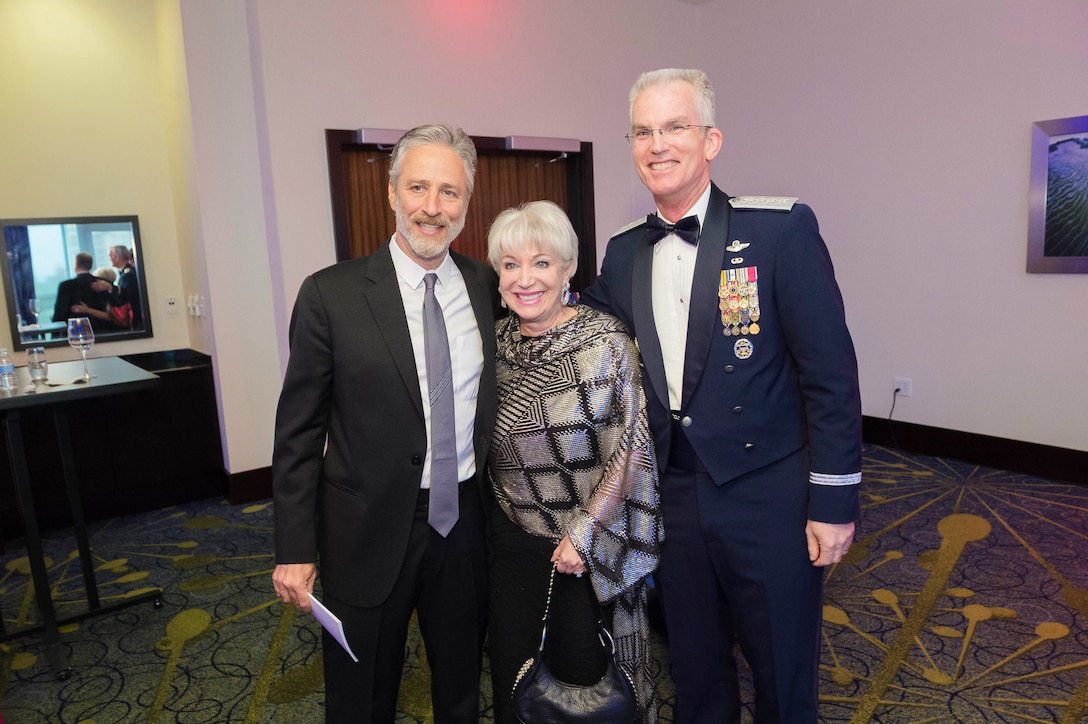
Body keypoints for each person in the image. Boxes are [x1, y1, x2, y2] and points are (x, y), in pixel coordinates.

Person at [579, 68, 863, 723]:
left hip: (767, 494)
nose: (657, 144)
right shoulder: (624, 253)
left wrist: (835, 501)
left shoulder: (778, 232)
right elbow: (583, 325)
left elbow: (831, 377)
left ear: (711, 141)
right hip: (674, 495)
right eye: (643, 131)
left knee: (781, 669)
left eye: (674, 127)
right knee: (696, 665)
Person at [271, 124, 501, 724]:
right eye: (418, 187)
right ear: (391, 192)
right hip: (364, 530)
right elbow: (297, 433)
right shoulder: (329, 295)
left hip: (465, 523)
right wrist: (295, 547)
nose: (432, 207)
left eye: (449, 192)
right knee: (361, 696)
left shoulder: (486, 286)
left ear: (467, 203)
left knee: (461, 687)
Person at [485, 200, 663, 723]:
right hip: (511, 544)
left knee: (588, 690)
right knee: (518, 682)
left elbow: (633, 451)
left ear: (568, 269)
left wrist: (584, 536)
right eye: (510, 264)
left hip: (584, 553)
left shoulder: (605, 343)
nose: (525, 278)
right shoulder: (493, 343)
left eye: (542, 262)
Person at [53, 252, 116, 331]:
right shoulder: (103, 283)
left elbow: (60, 314)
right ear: (90, 265)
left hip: (74, 330)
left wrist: (55, 336)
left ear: (76, 265)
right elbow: (112, 312)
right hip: (103, 330)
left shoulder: (66, 286)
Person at [91, 245, 141, 328]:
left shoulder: (128, 275)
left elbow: (127, 296)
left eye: (110, 255)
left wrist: (109, 287)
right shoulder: (125, 273)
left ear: (117, 257)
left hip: (134, 317)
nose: (109, 258)